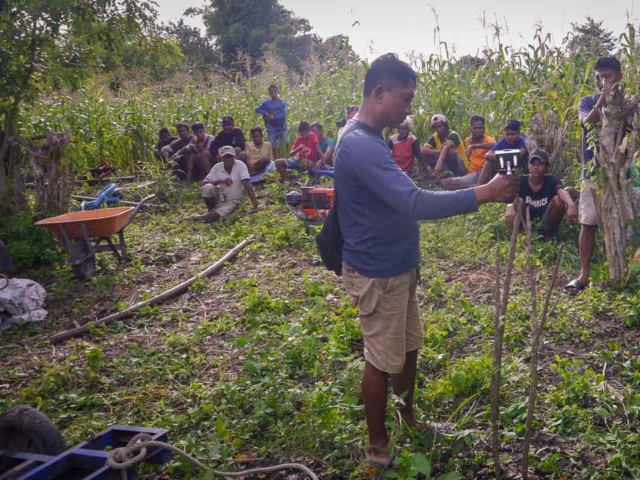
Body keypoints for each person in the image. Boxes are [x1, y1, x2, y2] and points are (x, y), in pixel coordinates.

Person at [334, 53, 518, 467]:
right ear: (379, 92)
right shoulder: (361, 144)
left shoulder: (371, 136)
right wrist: (484, 193)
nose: (409, 108)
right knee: (381, 360)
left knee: (409, 347)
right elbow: (412, 201)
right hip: (378, 273)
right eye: (405, 98)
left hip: (398, 267)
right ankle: (378, 446)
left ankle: (408, 418)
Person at [566, 56, 629, 293]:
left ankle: (622, 273)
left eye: (608, 76)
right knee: (589, 223)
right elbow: (587, 122)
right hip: (592, 173)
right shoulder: (588, 101)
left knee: (622, 223)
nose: (603, 81)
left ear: (619, 77)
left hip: (621, 175)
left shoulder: (629, 106)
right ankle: (583, 275)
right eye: (600, 77)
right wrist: (602, 99)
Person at [506, 149, 578, 238]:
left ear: (546, 166)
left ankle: (547, 236)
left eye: (540, 164)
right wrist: (510, 205)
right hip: (526, 221)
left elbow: (562, 192)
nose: (536, 167)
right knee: (518, 201)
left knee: (558, 200)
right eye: (532, 164)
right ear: (528, 166)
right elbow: (510, 194)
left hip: (546, 221)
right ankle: (521, 236)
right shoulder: (522, 180)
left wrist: (571, 205)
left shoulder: (552, 180)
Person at [188, 146, 258, 222]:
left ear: (234, 157)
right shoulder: (217, 167)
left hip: (232, 201)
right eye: (225, 157)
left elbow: (247, 185)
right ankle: (210, 209)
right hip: (219, 196)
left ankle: (197, 217)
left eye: (230, 157)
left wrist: (254, 204)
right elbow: (204, 183)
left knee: (213, 216)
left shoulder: (240, 166)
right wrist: (221, 181)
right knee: (207, 188)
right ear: (221, 158)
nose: (228, 159)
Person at [441, 115, 496, 189]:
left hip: (481, 172)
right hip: (469, 171)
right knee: (445, 181)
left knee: (448, 182)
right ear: (471, 129)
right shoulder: (467, 140)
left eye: (479, 128)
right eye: (475, 128)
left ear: (483, 129)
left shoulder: (488, 139)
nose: (477, 130)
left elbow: (494, 145)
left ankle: (475, 187)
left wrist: (474, 146)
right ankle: (473, 186)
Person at [477, 119, 528, 185]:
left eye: (512, 134)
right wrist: (500, 156)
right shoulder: (502, 142)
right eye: (507, 134)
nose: (510, 137)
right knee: (488, 162)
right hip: (504, 165)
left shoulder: (522, 141)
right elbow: (487, 155)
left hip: (519, 167)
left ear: (518, 133)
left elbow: (521, 153)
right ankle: (479, 186)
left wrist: (502, 155)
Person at [255, 85, 287, 149]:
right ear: (269, 93)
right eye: (271, 92)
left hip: (281, 127)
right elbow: (257, 109)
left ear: (278, 92)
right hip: (271, 127)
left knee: (285, 144)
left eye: (275, 91)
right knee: (272, 145)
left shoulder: (281, 103)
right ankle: (273, 157)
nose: (273, 93)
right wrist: (265, 113)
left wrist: (273, 117)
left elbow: (283, 114)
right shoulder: (266, 103)